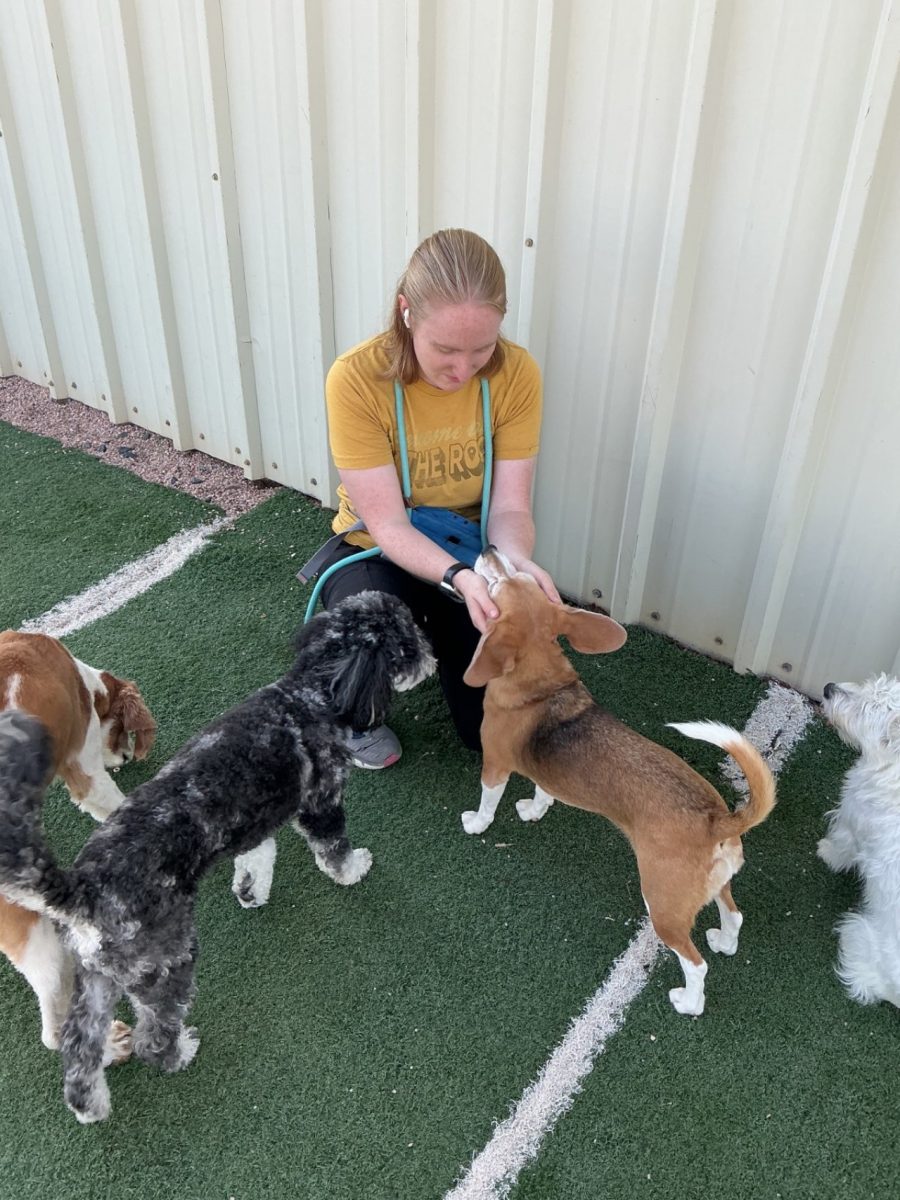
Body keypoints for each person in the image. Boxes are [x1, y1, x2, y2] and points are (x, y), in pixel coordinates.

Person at [319, 228, 560, 767]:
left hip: (470, 545)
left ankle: (440, 637)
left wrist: (509, 566)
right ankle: (354, 717)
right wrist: (459, 579)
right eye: (445, 350)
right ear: (406, 312)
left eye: (482, 349)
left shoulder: (518, 372)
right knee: (369, 630)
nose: (462, 370)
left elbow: (511, 507)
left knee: (489, 733)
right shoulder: (355, 378)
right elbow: (387, 524)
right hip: (376, 547)